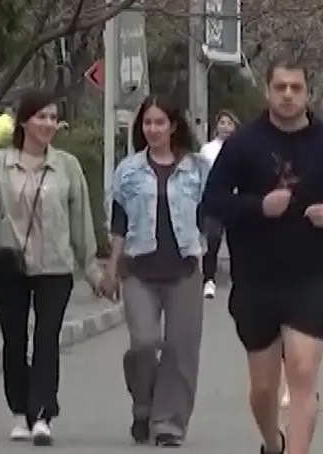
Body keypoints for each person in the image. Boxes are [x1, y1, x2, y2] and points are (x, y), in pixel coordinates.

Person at [201, 58, 323, 454]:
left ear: (307, 92)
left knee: (303, 373)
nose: (288, 95)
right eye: (281, 87)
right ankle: (273, 443)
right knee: (262, 390)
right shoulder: (243, 145)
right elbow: (212, 203)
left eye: (296, 88)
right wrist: (258, 206)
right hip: (256, 277)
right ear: (269, 91)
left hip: (309, 274)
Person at [0, 90, 101, 445]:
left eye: (54, 117)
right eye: (42, 117)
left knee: (47, 338)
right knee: (15, 339)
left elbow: (81, 220)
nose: (49, 124)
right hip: (9, 263)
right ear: (24, 121)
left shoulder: (66, 165)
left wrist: (93, 267)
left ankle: (43, 415)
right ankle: (20, 412)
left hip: (55, 265)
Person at [105, 96, 207, 446]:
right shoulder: (129, 169)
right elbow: (118, 221)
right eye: (148, 123)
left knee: (181, 350)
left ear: (173, 126)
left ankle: (169, 424)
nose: (153, 129)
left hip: (184, 268)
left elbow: (207, 215)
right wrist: (111, 266)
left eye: (160, 123)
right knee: (144, 344)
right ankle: (144, 405)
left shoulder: (196, 167)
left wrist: (205, 253)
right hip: (139, 268)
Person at [200, 110, 239, 298]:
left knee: (236, 242)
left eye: (229, 123)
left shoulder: (241, 148)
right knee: (212, 240)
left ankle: (238, 278)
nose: (225, 127)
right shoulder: (207, 150)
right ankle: (209, 279)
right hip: (213, 201)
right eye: (222, 122)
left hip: (234, 201)